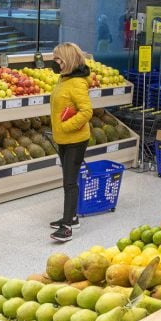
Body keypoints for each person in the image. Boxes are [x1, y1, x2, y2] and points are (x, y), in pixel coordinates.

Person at [48, 42, 94, 243]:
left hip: (75, 139)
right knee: (67, 179)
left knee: (70, 182)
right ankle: (72, 217)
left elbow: (86, 111)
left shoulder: (76, 83)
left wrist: (65, 127)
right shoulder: (64, 79)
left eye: (57, 59)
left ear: (67, 61)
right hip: (63, 139)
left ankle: (67, 227)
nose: (54, 62)